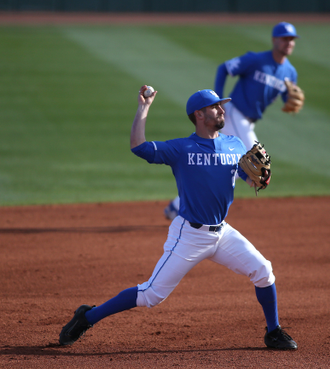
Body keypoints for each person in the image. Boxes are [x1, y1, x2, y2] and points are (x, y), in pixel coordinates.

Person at [58, 85, 298, 350]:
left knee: (263, 271)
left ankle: (273, 331)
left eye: (221, 105)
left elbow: (246, 176)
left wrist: (258, 179)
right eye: (215, 107)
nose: (222, 110)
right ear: (199, 115)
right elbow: (139, 146)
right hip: (190, 235)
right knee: (151, 295)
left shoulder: (234, 143)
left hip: (223, 232)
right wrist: (144, 107)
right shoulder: (182, 148)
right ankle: (87, 317)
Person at [164, 21, 301, 221]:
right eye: (284, 38)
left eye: (291, 39)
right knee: (257, 160)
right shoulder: (255, 60)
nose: (288, 42)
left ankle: (178, 204)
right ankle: (180, 205)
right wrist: (219, 104)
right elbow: (224, 68)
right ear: (274, 40)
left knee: (230, 166)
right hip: (234, 114)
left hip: (249, 121)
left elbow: (286, 100)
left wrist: (289, 102)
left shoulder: (290, 73)